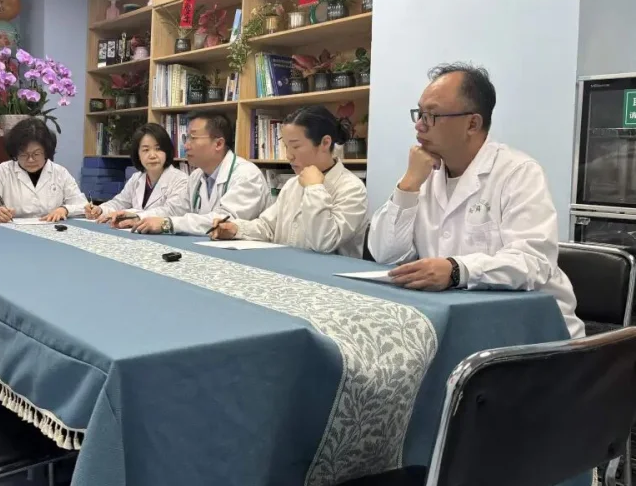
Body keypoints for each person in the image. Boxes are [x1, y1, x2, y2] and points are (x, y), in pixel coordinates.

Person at [367, 63, 583, 338]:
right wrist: (408, 186)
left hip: (530, 330)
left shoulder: (517, 172)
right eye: (419, 114)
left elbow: (533, 263)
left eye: (431, 115)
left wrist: (458, 270)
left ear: (472, 123)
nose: (419, 125)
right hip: (453, 320)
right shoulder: (423, 174)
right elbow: (386, 255)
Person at [210, 106, 368, 255]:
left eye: (296, 146)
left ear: (325, 143)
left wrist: (314, 188)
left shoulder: (352, 188)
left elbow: (324, 242)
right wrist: (236, 229)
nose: (289, 155)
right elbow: (268, 227)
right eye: (286, 146)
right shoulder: (293, 184)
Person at [132, 112, 270, 235]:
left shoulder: (246, 175)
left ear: (218, 144)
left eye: (193, 138)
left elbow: (223, 221)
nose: (186, 146)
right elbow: (174, 209)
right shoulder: (197, 175)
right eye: (186, 138)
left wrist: (167, 224)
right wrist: (139, 218)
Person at [0, 117, 88, 223]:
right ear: (15, 153)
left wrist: (65, 209)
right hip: (12, 231)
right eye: (23, 154)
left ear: (46, 151)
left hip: (52, 230)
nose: (31, 160)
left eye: (36, 154)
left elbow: (83, 205)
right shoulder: (2, 171)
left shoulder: (60, 173)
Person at [85, 123, 189, 225]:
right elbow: (119, 202)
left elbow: (172, 211)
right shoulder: (136, 178)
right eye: (146, 150)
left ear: (166, 152)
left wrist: (137, 216)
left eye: (158, 149)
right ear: (138, 154)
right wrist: (101, 209)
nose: (152, 155)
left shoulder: (181, 180)